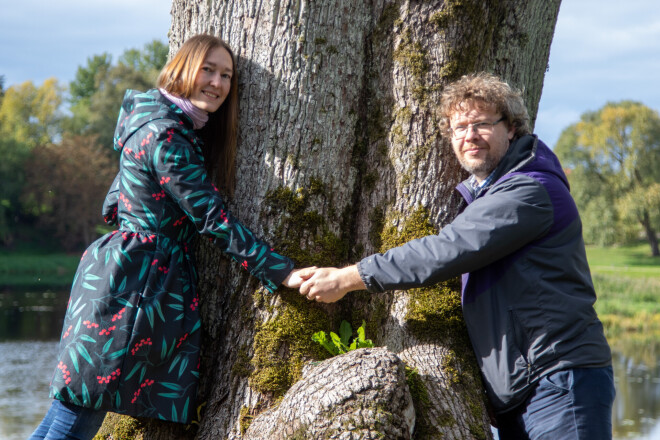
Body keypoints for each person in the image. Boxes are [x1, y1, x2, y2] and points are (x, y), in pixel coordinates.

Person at [298, 72, 615, 439]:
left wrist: (348, 277)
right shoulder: (495, 190)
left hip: (560, 380)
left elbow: (443, 251)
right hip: (531, 387)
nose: (469, 136)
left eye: (481, 124)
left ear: (511, 128)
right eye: (459, 127)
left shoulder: (528, 189)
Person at [30, 34, 307, 440]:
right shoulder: (166, 135)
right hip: (134, 288)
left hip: (119, 276)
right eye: (207, 70)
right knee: (75, 423)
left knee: (67, 413)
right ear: (181, 69)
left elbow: (113, 203)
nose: (216, 82)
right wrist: (281, 272)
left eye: (226, 75)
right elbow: (212, 219)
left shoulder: (148, 122)